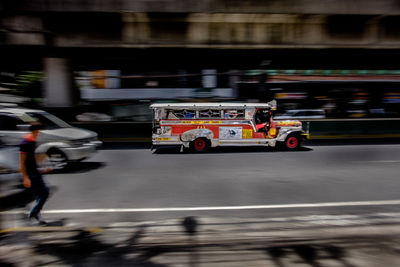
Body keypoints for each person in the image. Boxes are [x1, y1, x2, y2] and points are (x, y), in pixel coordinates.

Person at [20, 122, 51, 224]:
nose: (40, 133)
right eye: (40, 131)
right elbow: (23, 161)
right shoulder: (26, 143)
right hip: (30, 174)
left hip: (36, 172)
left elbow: (35, 157)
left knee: (40, 194)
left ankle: (37, 213)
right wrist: (25, 177)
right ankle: (34, 212)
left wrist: (43, 167)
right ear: (36, 131)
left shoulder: (33, 141)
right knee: (45, 193)